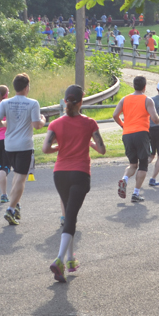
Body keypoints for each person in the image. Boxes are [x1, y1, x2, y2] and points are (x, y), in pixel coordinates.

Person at [42, 85, 106, 283]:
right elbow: (102, 149)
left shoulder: (56, 124)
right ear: (81, 102)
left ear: (64, 101)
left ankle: (70, 259)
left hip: (60, 173)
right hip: (80, 173)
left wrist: (60, 147)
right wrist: (89, 143)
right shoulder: (90, 123)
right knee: (71, 216)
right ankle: (60, 259)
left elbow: (45, 148)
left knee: (70, 214)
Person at [0, 74, 46, 225]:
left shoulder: (5, 102)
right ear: (26, 87)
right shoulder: (33, 103)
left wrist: (6, 124)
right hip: (24, 145)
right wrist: (43, 119)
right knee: (21, 178)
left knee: (16, 176)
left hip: (9, 144)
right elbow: (37, 125)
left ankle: (15, 204)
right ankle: (10, 209)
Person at [113, 75, 159, 202]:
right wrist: (158, 120)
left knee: (132, 164)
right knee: (143, 164)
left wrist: (123, 125)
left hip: (127, 134)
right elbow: (155, 119)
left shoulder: (124, 99)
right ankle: (136, 193)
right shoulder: (147, 100)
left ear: (134, 85)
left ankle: (124, 179)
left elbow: (115, 115)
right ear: (145, 87)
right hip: (141, 134)